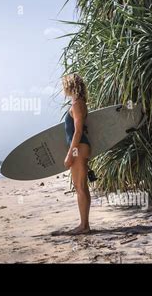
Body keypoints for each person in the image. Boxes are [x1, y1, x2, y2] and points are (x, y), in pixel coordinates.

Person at [62, 73, 91, 235]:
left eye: (64, 85)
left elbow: (78, 131)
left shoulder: (77, 104)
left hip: (79, 148)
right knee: (81, 187)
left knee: (80, 187)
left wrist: (70, 154)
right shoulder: (78, 103)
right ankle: (84, 224)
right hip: (80, 148)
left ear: (69, 85)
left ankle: (84, 226)